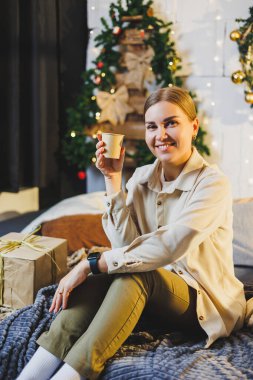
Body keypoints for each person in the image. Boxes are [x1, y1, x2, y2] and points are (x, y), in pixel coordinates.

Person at [17, 86, 246, 380]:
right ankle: (31, 375)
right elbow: (126, 249)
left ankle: (71, 375)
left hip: (204, 300)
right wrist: (113, 180)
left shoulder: (213, 184)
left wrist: (90, 264)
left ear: (194, 126)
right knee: (116, 272)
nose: (160, 134)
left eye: (171, 123)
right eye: (152, 126)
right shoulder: (141, 178)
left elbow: (169, 246)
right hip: (153, 289)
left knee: (127, 271)